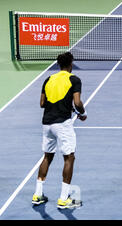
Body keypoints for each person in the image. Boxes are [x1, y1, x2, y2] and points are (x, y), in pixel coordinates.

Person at [32, 52, 87, 209]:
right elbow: (77, 102)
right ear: (71, 64)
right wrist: (82, 113)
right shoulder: (74, 80)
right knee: (69, 158)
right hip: (62, 125)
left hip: (47, 123)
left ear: (58, 64)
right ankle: (64, 199)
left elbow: (42, 103)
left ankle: (37, 195)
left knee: (47, 157)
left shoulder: (48, 79)